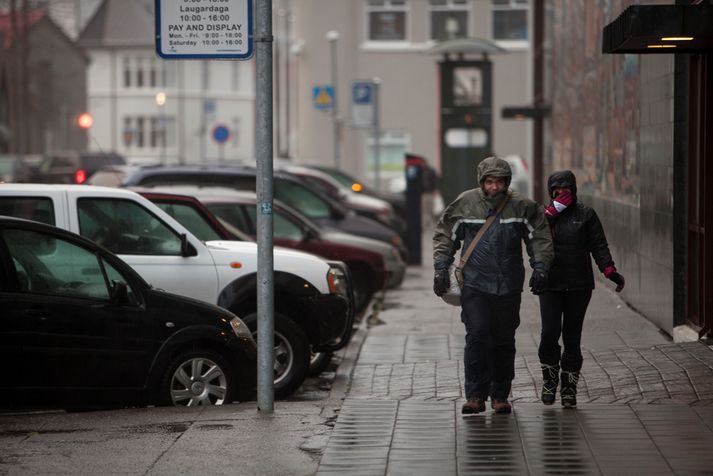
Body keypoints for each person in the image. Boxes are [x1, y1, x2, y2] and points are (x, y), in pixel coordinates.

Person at [433, 156, 554, 415]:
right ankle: (475, 394)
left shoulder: (522, 207)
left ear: (507, 182)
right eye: (489, 182)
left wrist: (541, 266)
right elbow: (446, 234)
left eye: (499, 182)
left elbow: (539, 236)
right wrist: (441, 266)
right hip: (475, 284)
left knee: (503, 339)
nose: (494, 187)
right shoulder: (465, 203)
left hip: (508, 285)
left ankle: (500, 394)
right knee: (476, 336)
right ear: (481, 182)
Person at [537, 170, 625, 408]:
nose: (562, 194)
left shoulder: (586, 215)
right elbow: (534, 242)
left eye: (566, 190)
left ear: (574, 190)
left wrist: (609, 270)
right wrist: (550, 215)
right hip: (550, 285)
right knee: (549, 334)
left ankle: (569, 388)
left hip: (578, 284)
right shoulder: (544, 216)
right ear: (550, 191)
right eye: (557, 190)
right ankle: (549, 380)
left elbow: (598, 244)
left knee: (572, 338)